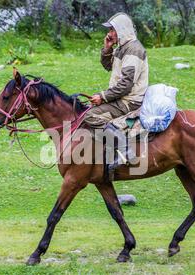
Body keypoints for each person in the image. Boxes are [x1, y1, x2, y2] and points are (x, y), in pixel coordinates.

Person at [84, 12, 149, 180]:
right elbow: (109, 66)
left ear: (122, 30)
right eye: (110, 30)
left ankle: (125, 149)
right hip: (121, 98)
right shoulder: (123, 47)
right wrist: (107, 49)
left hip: (129, 101)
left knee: (90, 115)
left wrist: (103, 97)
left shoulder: (133, 49)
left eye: (112, 30)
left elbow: (126, 84)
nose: (110, 33)